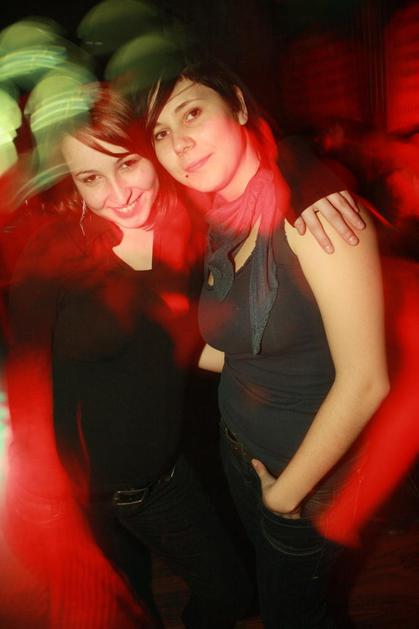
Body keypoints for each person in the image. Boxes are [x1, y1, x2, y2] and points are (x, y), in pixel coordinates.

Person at [143, 57, 390, 627]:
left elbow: (366, 381)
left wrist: (283, 499)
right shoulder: (219, 219)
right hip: (240, 449)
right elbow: (234, 349)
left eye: (191, 113)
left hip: (308, 480)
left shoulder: (319, 220)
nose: (178, 144)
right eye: (160, 133)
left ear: (239, 105)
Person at [4, 86, 252, 629]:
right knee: (130, 609)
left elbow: (261, 160)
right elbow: (24, 371)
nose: (118, 194)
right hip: (79, 492)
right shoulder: (58, 251)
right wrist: (45, 501)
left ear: (153, 149)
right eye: (90, 178)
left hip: (161, 476)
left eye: (126, 163)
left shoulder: (190, 225)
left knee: (230, 593)